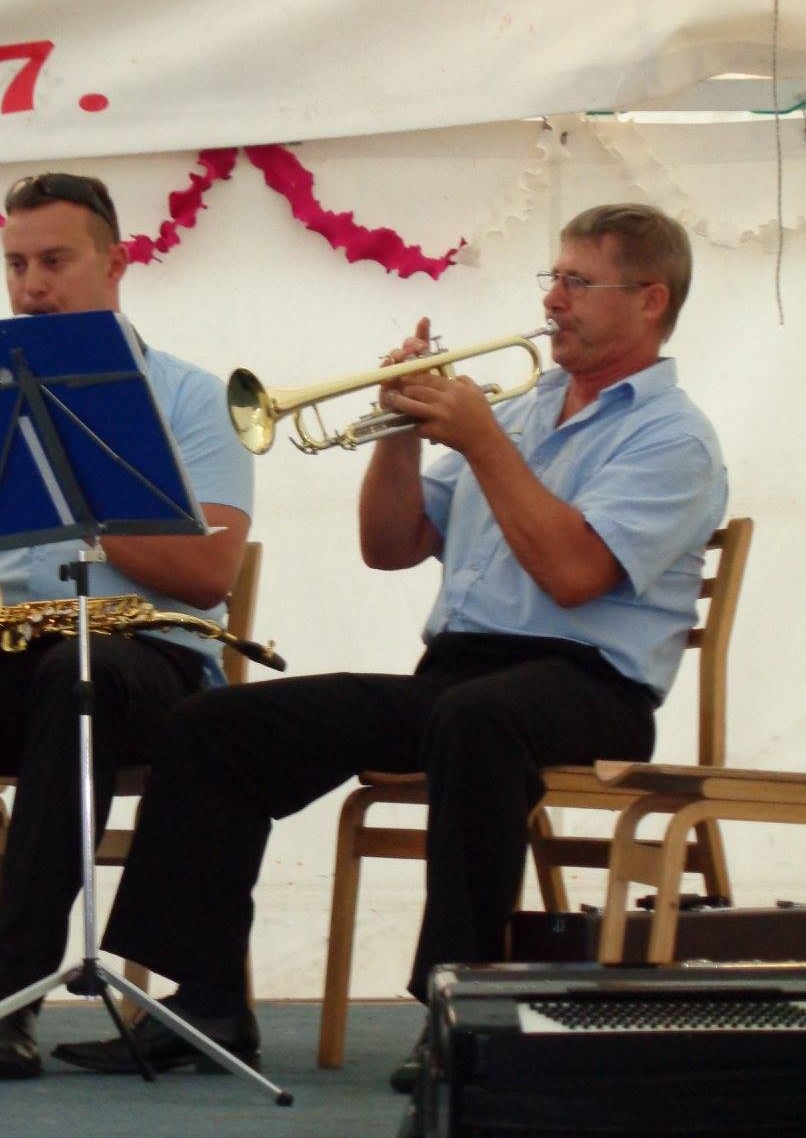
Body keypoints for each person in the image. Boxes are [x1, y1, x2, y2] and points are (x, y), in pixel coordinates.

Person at [51, 202, 728, 1089]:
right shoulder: (524, 412)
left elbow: (574, 574)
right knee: (214, 725)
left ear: (650, 299)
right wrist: (401, 438)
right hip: (460, 679)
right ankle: (205, 1002)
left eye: (577, 282)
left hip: (591, 687)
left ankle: (457, 1008)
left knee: (478, 723)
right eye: (552, 278)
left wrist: (482, 443)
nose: (552, 300)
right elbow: (390, 544)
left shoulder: (673, 438)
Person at [0, 173, 253, 1079]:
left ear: (117, 263)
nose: (31, 286)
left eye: (55, 261)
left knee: (79, 676)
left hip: (149, 667)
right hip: (8, 656)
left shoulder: (193, 397)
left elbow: (210, 573)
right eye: (16, 265)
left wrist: (75, 496)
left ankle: (9, 993)